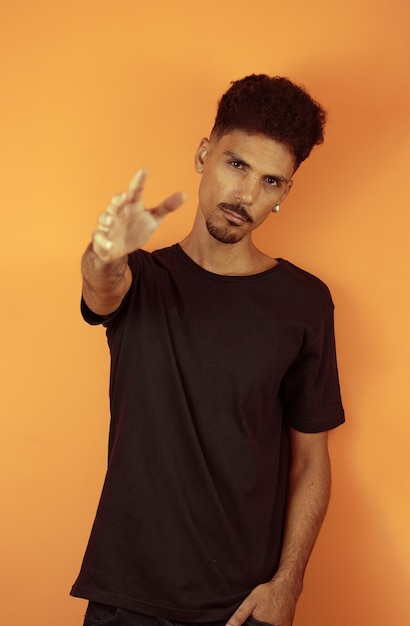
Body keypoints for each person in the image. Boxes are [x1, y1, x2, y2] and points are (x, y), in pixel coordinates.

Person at [71, 74, 344, 626]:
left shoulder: (305, 303)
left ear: (285, 193)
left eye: (271, 181)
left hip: (243, 610)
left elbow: (311, 460)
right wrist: (105, 255)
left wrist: (287, 585)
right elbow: (102, 288)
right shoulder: (141, 278)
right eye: (236, 165)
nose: (246, 195)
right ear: (204, 153)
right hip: (129, 602)